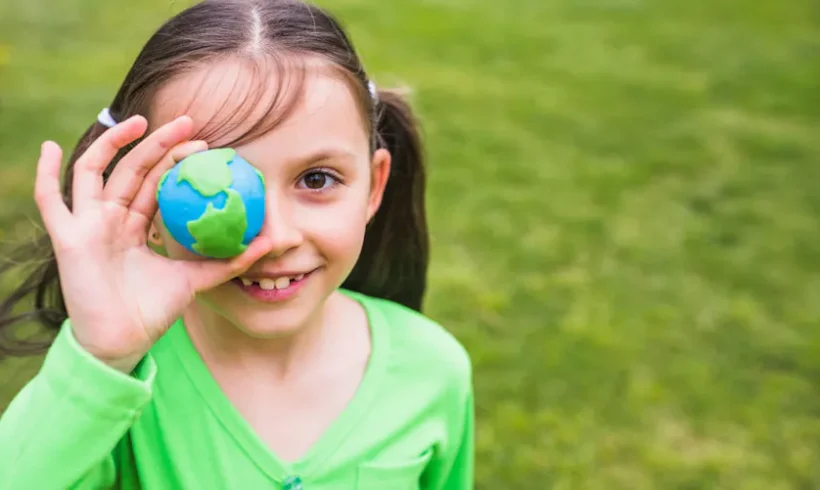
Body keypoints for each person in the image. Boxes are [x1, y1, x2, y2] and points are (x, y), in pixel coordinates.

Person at [0, 0, 474, 488]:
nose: (273, 239)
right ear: (146, 203)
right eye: (214, 186)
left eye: (316, 179)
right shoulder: (112, 388)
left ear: (373, 188)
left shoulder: (433, 371)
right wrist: (100, 359)